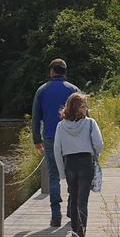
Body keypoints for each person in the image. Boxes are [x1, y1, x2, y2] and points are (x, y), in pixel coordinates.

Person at [53, 91, 103, 237]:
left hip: (70, 164)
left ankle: (75, 233)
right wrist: (95, 155)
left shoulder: (61, 126)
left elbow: (57, 149)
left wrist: (61, 172)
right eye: (84, 106)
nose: (86, 108)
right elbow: (99, 144)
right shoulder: (90, 123)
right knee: (83, 202)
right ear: (79, 108)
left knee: (74, 199)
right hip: (85, 163)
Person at [31, 58, 78, 228]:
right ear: (65, 72)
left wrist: (37, 139)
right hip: (71, 138)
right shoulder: (73, 90)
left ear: (52, 71)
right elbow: (83, 116)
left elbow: (36, 117)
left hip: (50, 137)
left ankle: (56, 215)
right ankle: (72, 210)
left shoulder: (41, 90)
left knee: (54, 177)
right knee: (72, 174)